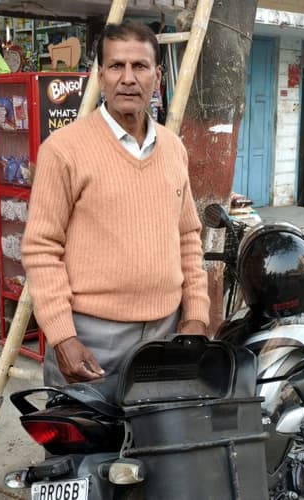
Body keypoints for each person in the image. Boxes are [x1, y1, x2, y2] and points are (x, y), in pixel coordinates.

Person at [21, 21, 210, 386]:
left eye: (139, 66)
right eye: (116, 66)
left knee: (161, 426)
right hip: (91, 338)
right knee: (84, 427)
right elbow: (42, 248)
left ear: (157, 76)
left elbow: (188, 237)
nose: (128, 79)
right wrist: (62, 335)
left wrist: (196, 317)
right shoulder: (63, 150)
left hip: (166, 332)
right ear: (100, 76)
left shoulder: (173, 148)